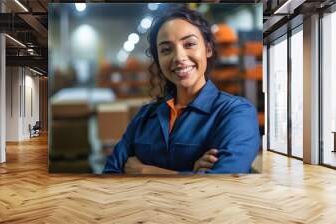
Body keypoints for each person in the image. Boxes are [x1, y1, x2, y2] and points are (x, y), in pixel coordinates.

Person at [103, 5, 260, 174]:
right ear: (158, 60)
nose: (178, 57)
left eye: (189, 44)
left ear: (208, 49)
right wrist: (193, 175)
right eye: (166, 50)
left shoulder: (235, 113)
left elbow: (223, 184)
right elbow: (111, 174)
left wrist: (148, 171)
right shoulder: (145, 117)